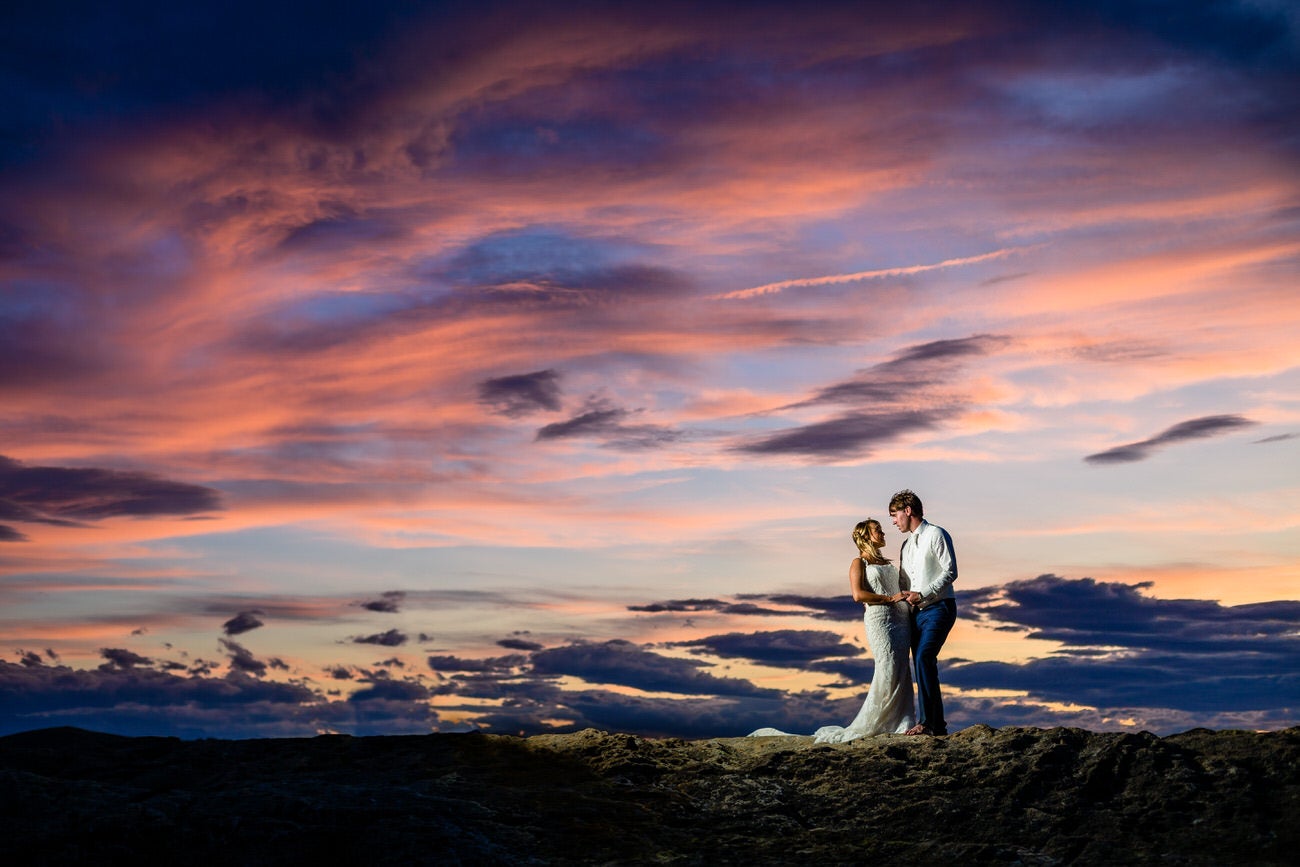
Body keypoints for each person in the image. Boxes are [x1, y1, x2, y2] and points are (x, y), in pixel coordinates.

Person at [748, 518, 915, 742]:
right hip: (881, 620)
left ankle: (903, 721)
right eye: (878, 530)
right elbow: (858, 595)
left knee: (902, 667)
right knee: (888, 665)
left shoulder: (889, 563)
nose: (883, 533)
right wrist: (889, 599)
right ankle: (880, 721)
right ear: (865, 536)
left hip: (901, 619)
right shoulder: (859, 563)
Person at [890, 489, 957, 736]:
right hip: (915, 614)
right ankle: (935, 725)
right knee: (921, 663)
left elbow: (950, 571)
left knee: (923, 657)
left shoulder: (937, 534)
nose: (894, 522)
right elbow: (903, 581)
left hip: (939, 608)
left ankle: (929, 724)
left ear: (908, 510)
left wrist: (923, 593)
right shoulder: (906, 546)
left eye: (895, 515)